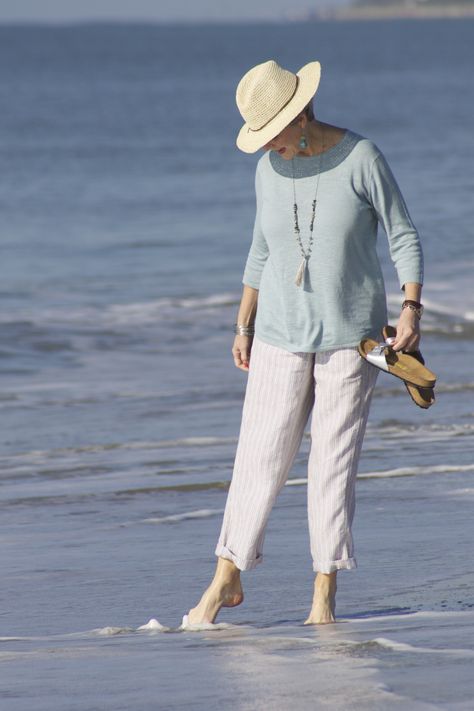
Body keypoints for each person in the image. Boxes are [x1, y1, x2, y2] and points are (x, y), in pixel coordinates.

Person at [183, 59, 424, 627]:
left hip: (351, 337)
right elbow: (261, 251)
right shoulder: (269, 170)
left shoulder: (362, 158)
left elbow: (403, 233)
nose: (269, 147)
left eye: (273, 134)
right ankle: (227, 576)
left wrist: (411, 307)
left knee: (330, 465)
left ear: (299, 117)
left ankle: (323, 592)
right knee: (258, 458)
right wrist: (243, 323)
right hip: (277, 336)